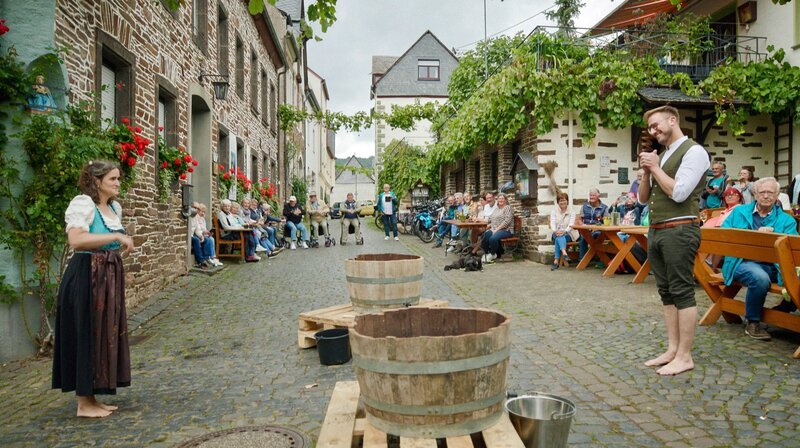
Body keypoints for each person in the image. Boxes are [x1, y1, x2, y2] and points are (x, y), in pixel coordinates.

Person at [52, 160, 134, 418]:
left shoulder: (113, 208)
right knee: (86, 332)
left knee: (102, 334)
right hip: (87, 275)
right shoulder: (83, 204)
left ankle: (93, 397)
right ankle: (83, 404)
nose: (118, 183)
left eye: (118, 178)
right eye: (113, 179)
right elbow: (76, 240)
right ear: (97, 181)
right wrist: (115, 237)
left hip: (106, 276)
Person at [638, 105, 709, 376]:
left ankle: (685, 355)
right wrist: (646, 174)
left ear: (673, 119)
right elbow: (643, 199)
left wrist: (655, 167)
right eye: (651, 128)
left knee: (681, 291)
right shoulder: (664, 155)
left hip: (680, 229)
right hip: (657, 230)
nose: (654, 131)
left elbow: (679, 193)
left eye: (657, 125)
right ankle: (672, 349)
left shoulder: (694, 151)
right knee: (666, 292)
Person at [720, 177, 799, 340]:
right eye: (762, 192)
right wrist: (754, 238)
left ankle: (784, 309)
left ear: (777, 195)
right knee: (759, 278)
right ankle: (753, 322)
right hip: (740, 262)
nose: (766, 196)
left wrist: (774, 239)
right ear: (755, 194)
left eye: (770, 192)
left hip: (774, 266)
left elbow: (793, 251)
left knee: (795, 277)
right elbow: (724, 237)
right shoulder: (738, 212)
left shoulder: (787, 220)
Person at [481, 193, 515, 263]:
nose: (500, 200)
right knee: (484, 236)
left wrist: (496, 230)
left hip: (506, 230)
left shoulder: (508, 208)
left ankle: (493, 254)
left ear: (505, 200)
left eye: (502, 198)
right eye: (499, 199)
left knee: (492, 238)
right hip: (495, 229)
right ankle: (487, 253)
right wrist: (479, 220)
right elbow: (490, 219)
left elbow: (507, 222)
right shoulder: (497, 209)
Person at [550, 192, 578, 270]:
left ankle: (556, 261)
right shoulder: (554, 211)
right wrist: (555, 231)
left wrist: (564, 231)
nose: (562, 202)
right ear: (558, 202)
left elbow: (571, 224)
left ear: (567, 201)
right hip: (556, 233)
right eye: (560, 201)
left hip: (568, 233)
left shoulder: (572, 211)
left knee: (559, 238)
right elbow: (552, 222)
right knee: (558, 236)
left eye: (564, 200)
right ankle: (564, 253)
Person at [577, 188, 608, 260]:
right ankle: (582, 259)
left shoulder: (604, 208)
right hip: (586, 229)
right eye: (590, 195)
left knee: (596, 235)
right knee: (584, 236)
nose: (591, 197)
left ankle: (600, 259)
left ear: (598, 196)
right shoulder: (584, 206)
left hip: (598, 230)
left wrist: (597, 226)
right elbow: (580, 219)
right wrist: (582, 225)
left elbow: (607, 221)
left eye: (593, 195)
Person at [191, 202, 222, 268]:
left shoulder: (200, 218)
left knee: (211, 239)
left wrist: (206, 232)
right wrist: (201, 235)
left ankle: (211, 257)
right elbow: (197, 229)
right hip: (193, 235)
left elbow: (198, 228)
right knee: (206, 240)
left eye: (197, 209)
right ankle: (204, 259)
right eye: (195, 208)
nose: (196, 210)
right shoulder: (194, 216)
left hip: (199, 234)